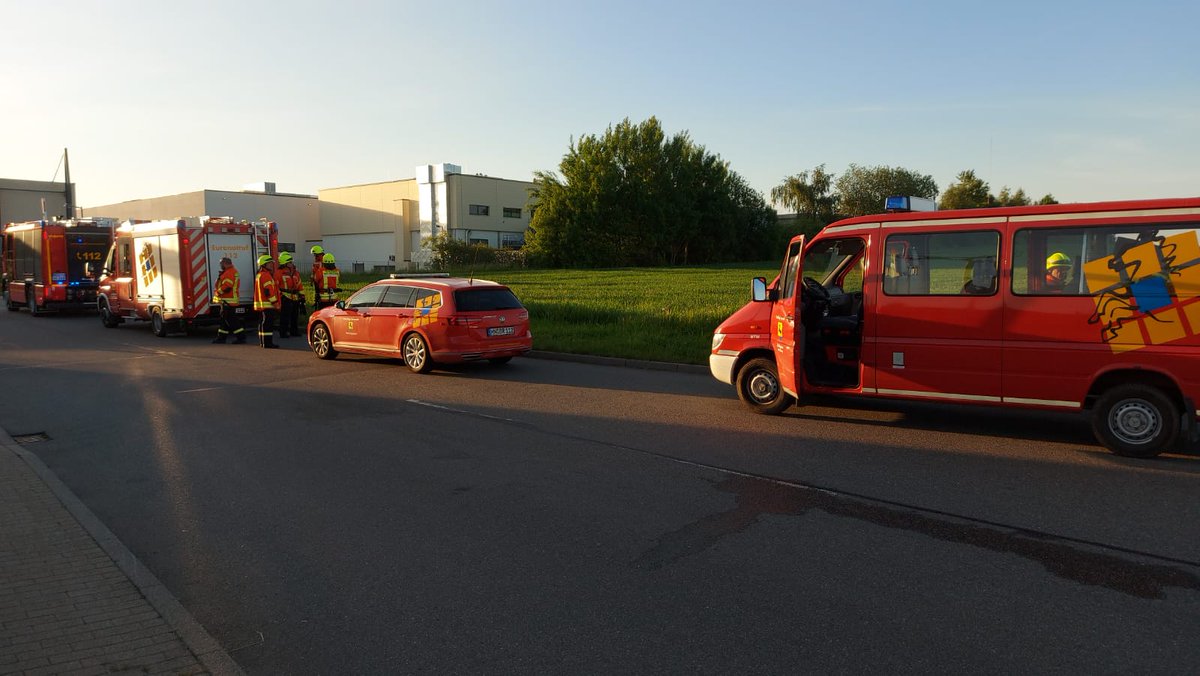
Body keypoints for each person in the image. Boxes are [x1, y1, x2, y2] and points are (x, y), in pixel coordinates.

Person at [211, 256, 246, 343]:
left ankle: (241, 337)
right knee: (224, 320)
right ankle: (221, 338)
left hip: (228, 301)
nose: (220, 265)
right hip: (228, 301)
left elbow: (227, 287)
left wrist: (218, 292)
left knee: (231, 320)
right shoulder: (230, 271)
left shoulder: (229, 272)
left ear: (225, 263)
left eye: (221, 264)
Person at [254, 254, 281, 349]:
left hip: (263, 305)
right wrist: (275, 303)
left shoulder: (260, 275)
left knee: (263, 323)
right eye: (269, 263)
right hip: (268, 305)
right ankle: (268, 343)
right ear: (264, 265)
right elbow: (268, 292)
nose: (271, 265)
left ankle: (263, 342)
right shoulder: (266, 275)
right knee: (268, 324)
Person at [275, 251, 303, 338]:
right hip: (285, 297)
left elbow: (300, 285)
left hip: (295, 297)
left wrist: (302, 296)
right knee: (285, 316)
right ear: (285, 264)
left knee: (295, 315)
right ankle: (283, 332)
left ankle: (294, 331)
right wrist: (281, 296)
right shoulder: (279, 273)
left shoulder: (295, 272)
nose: (291, 263)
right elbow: (275, 286)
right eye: (290, 262)